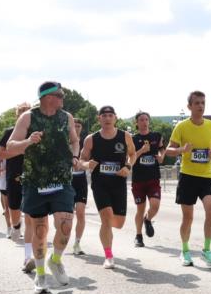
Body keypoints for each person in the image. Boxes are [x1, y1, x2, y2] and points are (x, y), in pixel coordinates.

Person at [3, 83, 79, 293]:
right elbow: (10, 147)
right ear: (47, 97)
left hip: (61, 179)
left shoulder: (67, 117)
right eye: (59, 95)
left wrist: (74, 156)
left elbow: (74, 141)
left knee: (65, 225)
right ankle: (41, 274)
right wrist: (28, 141)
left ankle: (55, 260)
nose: (63, 98)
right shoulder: (28, 117)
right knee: (39, 229)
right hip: (36, 181)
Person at [166, 92, 211, 267]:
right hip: (188, 177)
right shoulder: (181, 127)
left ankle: (206, 250)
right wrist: (182, 149)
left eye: (203, 102)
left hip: (206, 176)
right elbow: (168, 150)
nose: (201, 106)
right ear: (189, 106)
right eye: (197, 103)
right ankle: (185, 250)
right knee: (188, 218)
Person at [80, 106, 135, 269]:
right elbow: (81, 160)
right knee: (106, 218)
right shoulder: (91, 139)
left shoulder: (125, 136)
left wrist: (128, 166)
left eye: (110, 115)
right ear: (99, 119)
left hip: (118, 183)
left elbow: (132, 154)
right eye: (104, 115)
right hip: (100, 184)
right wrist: (86, 164)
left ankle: (106, 230)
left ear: (115, 118)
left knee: (118, 223)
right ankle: (108, 256)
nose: (107, 118)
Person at [0, 103, 34, 271]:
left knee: (32, 211)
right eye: (21, 112)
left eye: (27, 112)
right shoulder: (9, 133)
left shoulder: (37, 132)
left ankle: (30, 253)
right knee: (14, 207)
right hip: (14, 174)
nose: (25, 114)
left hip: (34, 175)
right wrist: (21, 149)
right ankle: (16, 225)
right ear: (17, 116)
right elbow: (0, 154)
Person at [130, 111, 167, 248]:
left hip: (153, 178)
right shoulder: (133, 139)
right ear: (137, 123)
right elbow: (130, 158)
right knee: (140, 209)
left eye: (146, 119)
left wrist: (161, 156)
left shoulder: (156, 136)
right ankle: (138, 236)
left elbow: (162, 149)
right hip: (138, 179)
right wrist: (141, 151)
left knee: (155, 206)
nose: (144, 122)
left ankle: (148, 219)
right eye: (141, 120)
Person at [70, 119, 89, 256]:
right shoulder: (64, 140)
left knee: (80, 212)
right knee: (66, 215)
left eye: (79, 126)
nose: (76, 128)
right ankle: (62, 237)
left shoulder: (86, 142)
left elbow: (90, 160)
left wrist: (84, 164)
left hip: (81, 179)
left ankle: (77, 243)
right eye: (74, 125)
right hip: (66, 180)